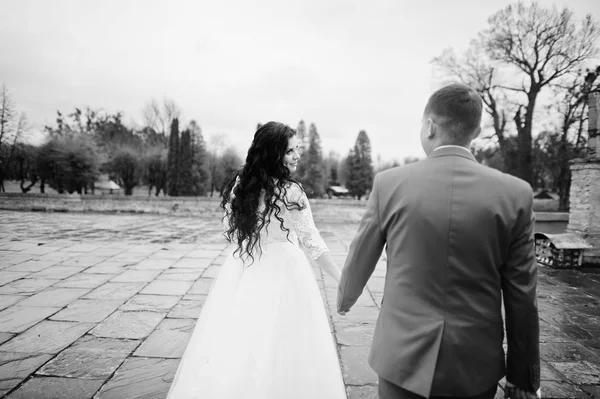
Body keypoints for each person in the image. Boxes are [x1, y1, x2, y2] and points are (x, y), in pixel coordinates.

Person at [337, 83, 541, 399]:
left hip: (401, 358)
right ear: (476, 129)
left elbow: (359, 256)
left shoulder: (389, 184)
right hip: (475, 363)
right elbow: (522, 293)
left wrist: (345, 297)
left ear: (430, 126)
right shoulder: (516, 194)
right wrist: (523, 374)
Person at [167, 121, 347, 399]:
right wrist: (341, 279)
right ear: (272, 154)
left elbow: (230, 228)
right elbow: (313, 243)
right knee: (285, 342)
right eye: (289, 152)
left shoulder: (243, 185)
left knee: (242, 337)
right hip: (286, 270)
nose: (297, 156)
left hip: (246, 266)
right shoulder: (291, 192)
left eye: (297, 149)